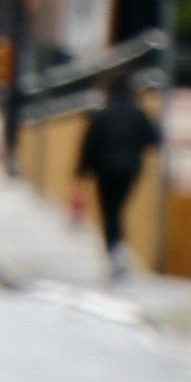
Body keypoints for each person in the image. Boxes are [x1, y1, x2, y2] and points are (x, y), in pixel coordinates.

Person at [77, 75, 159, 282]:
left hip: (104, 171)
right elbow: (153, 139)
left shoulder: (102, 114)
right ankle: (118, 252)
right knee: (118, 209)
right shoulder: (138, 114)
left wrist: (82, 172)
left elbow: (89, 144)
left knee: (109, 212)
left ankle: (115, 253)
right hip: (130, 170)